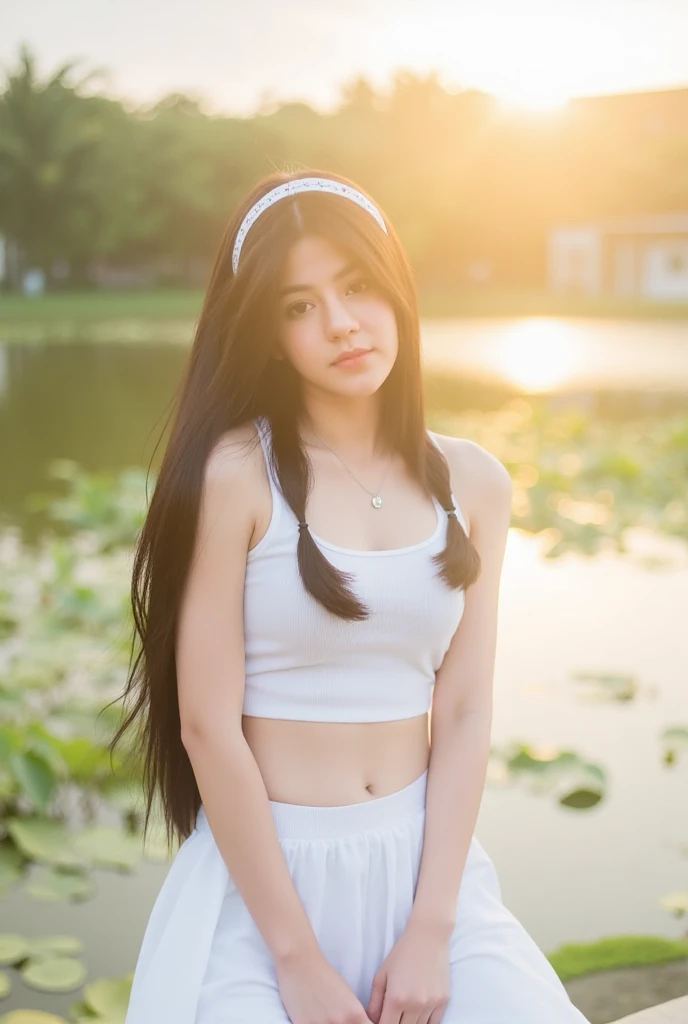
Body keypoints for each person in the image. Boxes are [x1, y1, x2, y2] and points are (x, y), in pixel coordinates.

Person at [116, 169, 590, 1024]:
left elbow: (467, 709)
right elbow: (205, 725)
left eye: (359, 287)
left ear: (397, 290)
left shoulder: (474, 483)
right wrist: (295, 958)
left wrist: (432, 928)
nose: (340, 324)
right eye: (299, 307)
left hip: (426, 877)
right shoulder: (235, 475)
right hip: (265, 894)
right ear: (267, 336)